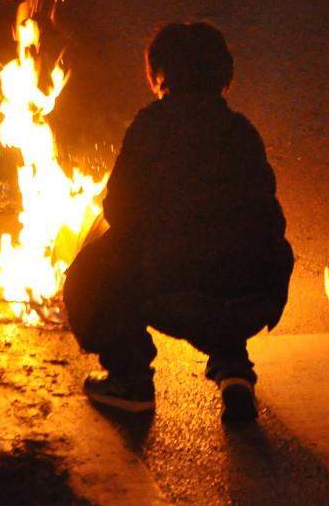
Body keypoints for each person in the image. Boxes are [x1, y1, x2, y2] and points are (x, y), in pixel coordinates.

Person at [63, 22, 294, 424]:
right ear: (224, 76)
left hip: (175, 295)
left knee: (92, 263)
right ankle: (235, 370)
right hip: (254, 297)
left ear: (157, 74)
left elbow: (118, 209)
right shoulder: (241, 131)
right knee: (232, 247)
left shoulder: (152, 125)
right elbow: (265, 218)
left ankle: (129, 377)